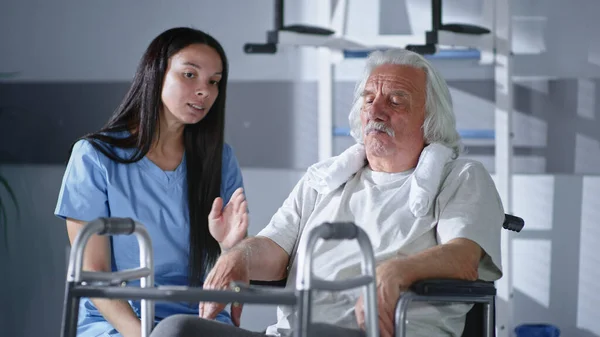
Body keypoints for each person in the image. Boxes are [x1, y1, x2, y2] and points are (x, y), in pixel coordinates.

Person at [149, 48, 504, 337]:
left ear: (429, 120)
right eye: (368, 98)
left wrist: (394, 272)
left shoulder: (460, 177)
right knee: (176, 330)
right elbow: (274, 249)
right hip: (294, 332)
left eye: (395, 101)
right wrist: (236, 255)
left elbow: (462, 259)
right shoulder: (325, 178)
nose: (375, 110)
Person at [54, 27, 249, 337]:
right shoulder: (94, 157)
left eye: (214, 82)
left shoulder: (220, 160)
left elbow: (232, 273)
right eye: (189, 75)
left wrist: (231, 249)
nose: (205, 91)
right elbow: (93, 274)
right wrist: (143, 335)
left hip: (196, 319)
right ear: (156, 74)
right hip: (118, 323)